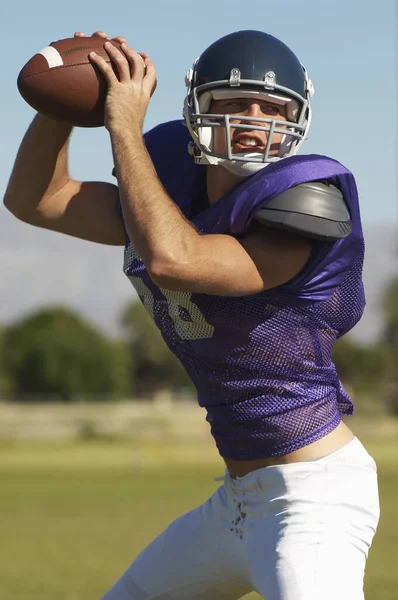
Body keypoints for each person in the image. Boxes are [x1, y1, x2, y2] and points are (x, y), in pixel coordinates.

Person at [4, 28, 380, 600]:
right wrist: (68, 103)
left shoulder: (302, 203)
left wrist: (122, 127)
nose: (254, 117)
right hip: (235, 501)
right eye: (232, 102)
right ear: (196, 109)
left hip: (313, 499)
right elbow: (37, 199)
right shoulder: (169, 191)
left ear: (298, 118)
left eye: (273, 106)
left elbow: (172, 259)